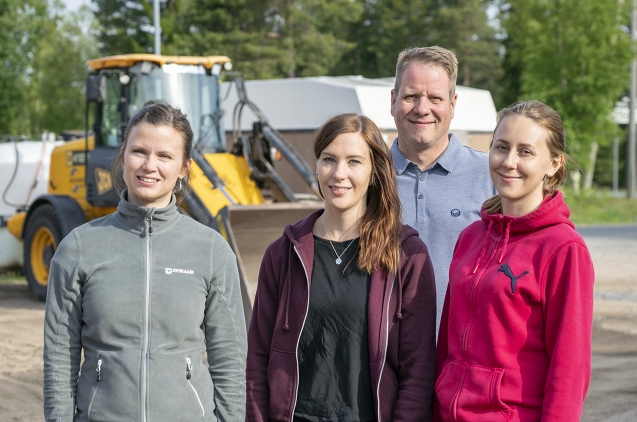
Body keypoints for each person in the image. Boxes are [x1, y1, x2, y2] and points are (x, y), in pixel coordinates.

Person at [43, 103, 247, 421]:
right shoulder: (78, 248)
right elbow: (59, 356)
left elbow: (230, 358)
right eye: (139, 151)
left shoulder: (211, 250)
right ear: (123, 155)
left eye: (165, 156)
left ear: (184, 168)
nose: (149, 165)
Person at [246, 113, 437, 421]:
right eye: (329, 159)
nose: (338, 173)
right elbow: (256, 360)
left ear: (374, 170)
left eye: (354, 161)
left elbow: (419, 371)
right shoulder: (283, 254)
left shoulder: (406, 255)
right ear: (316, 166)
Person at [435, 100, 594, 421]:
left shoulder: (564, 248)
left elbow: (569, 370)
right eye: (501, 147)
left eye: (525, 152)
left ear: (553, 164)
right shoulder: (470, 238)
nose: (509, 162)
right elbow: (445, 349)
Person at [389, 46, 496, 332]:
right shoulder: (366, 177)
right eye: (411, 96)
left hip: (461, 360)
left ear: (452, 104)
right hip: (381, 363)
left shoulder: (491, 177)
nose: (422, 108)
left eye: (435, 98)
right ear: (393, 100)